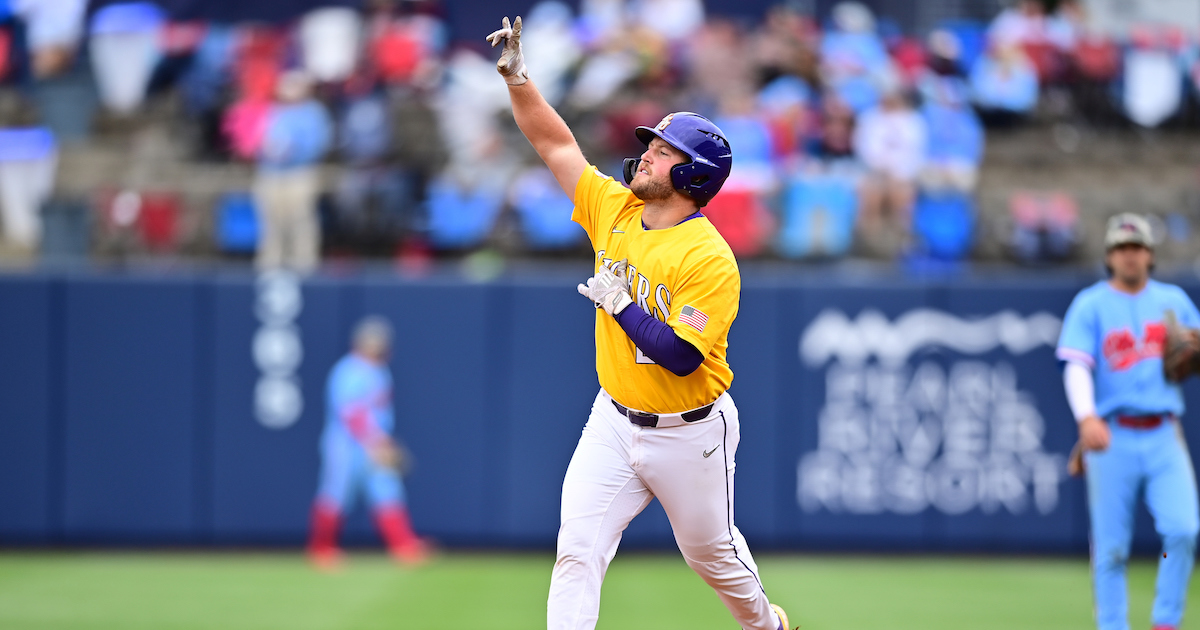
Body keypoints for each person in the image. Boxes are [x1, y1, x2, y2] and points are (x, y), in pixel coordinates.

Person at [487, 16, 792, 630]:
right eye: (651, 146)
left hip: (690, 430)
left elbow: (681, 355)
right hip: (614, 417)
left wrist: (621, 305)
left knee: (711, 555)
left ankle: (766, 624)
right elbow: (555, 146)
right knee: (577, 548)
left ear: (692, 175)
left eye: (662, 152)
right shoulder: (616, 208)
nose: (645, 156)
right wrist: (519, 80)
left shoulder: (708, 258)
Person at [1056, 213, 1200, 630]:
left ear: (1150, 254)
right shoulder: (1091, 304)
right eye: (1121, 248)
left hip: (1163, 433)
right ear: (1109, 256)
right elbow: (1076, 366)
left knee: (1183, 532)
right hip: (1111, 436)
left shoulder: (1173, 301)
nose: (1130, 255)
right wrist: (1086, 417)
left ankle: (1166, 621)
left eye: (1136, 248)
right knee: (1111, 550)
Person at [307, 316, 428, 569]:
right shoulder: (349, 369)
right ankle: (321, 549)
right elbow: (351, 412)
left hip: (375, 445)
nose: (377, 345)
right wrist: (376, 442)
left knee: (387, 491)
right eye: (372, 341)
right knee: (335, 494)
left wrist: (380, 443)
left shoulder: (379, 370)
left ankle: (403, 546)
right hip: (346, 445)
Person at [253, 69, 331, 273]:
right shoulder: (272, 110)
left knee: (301, 221)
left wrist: (293, 151)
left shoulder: (313, 112)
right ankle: (269, 266)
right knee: (271, 223)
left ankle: (304, 266)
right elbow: (256, 139)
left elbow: (318, 144)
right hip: (271, 173)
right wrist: (266, 149)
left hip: (299, 174)